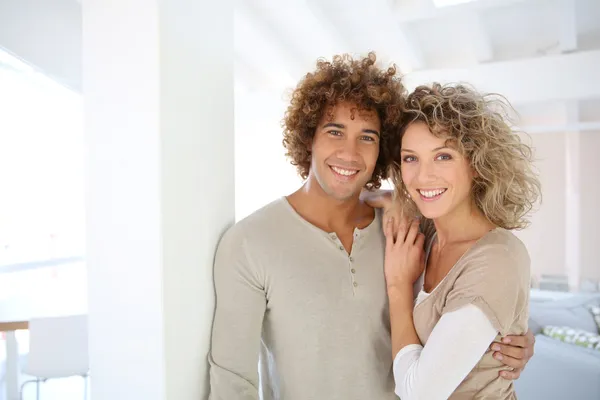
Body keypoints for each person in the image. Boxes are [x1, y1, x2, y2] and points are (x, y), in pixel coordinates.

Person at [208, 54, 534, 400]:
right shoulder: (249, 242)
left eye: (367, 137)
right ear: (308, 138)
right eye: (335, 132)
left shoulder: (408, 230)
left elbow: (475, 299)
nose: (350, 153)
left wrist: (508, 343)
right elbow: (233, 381)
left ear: (381, 149)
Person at [382, 83, 541, 399]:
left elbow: (419, 394)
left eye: (443, 156)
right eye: (411, 158)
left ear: (477, 164)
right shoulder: (427, 232)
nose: (423, 176)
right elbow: (371, 197)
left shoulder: (496, 259)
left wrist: (398, 287)